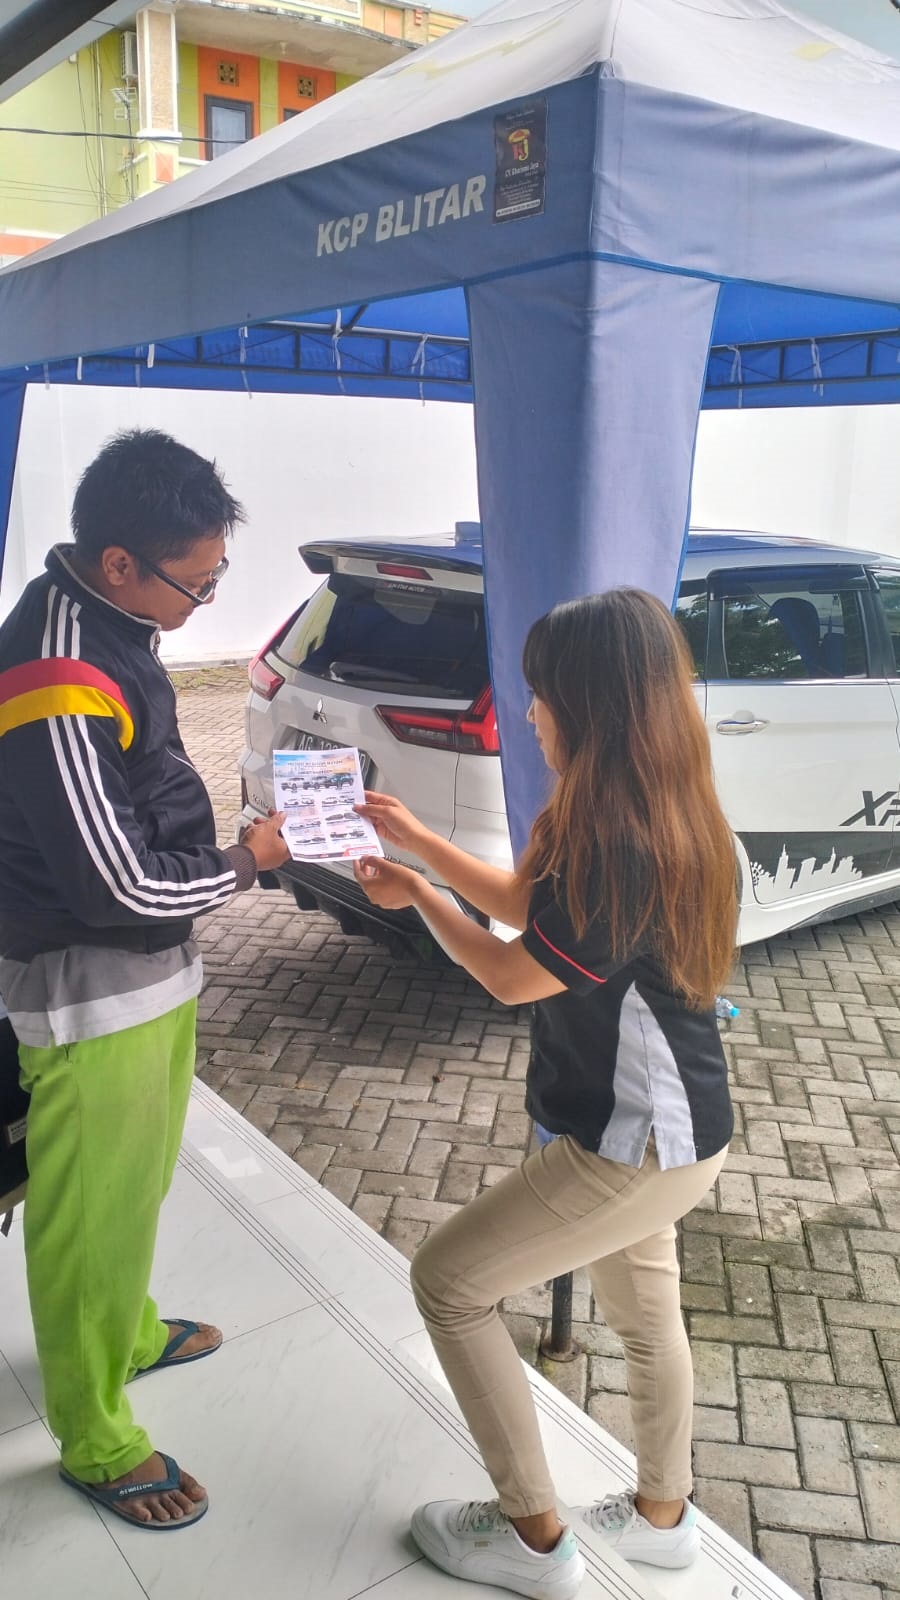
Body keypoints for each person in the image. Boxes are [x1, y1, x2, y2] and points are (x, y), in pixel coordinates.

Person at [354, 588, 737, 1599]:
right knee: (648, 1319)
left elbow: (510, 972)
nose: (529, 712)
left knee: (449, 1284)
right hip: (675, 1136)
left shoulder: (624, 842)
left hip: (636, 1145)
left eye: (541, 693)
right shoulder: (622, 804)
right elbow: (529, 907)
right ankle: (662, 1522)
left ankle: (531, 1540)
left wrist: (420, 895)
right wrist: (419, 846)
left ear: (592, 703)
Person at [0, 429, 288, 1530]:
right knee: (90, 1216)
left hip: (150, 976)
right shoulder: (55, 672)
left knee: (139, 1182)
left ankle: (123, 1334)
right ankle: (96, 1438)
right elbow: (114, 881)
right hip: (91, 989)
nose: (203, 601)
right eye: (196, 582)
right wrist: (248, 861)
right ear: (119, 562)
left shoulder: (115, 624)